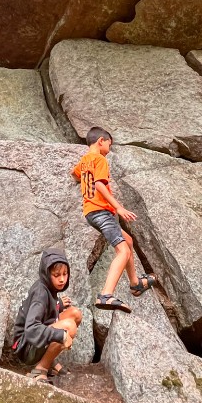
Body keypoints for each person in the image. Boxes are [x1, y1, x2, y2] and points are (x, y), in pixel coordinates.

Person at [72, 127, 156, 313]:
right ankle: (106, 295)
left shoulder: (85, 161)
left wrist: (84, 181)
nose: (110, 147)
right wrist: (118, 207)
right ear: (101, 141)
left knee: (128, 240)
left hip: (91, 213)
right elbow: (100, 183)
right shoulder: (100, 159)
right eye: (109, 143)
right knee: (123, 251)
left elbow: (75, 174)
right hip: (101, 211)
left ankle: (135, 283)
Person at [12, 249, 82, 384]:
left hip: (34, 341)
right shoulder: (40, 293)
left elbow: (46, 313)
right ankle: (40, 369)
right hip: (25, 347)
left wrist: (59, 305)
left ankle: (49, 361)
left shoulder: (49, 288)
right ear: (47, 274)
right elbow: (31, 328)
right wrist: (60, 335)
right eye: (56, 275)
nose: (62, 279)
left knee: (75, 314)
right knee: (69, 327)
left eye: (65, 274)